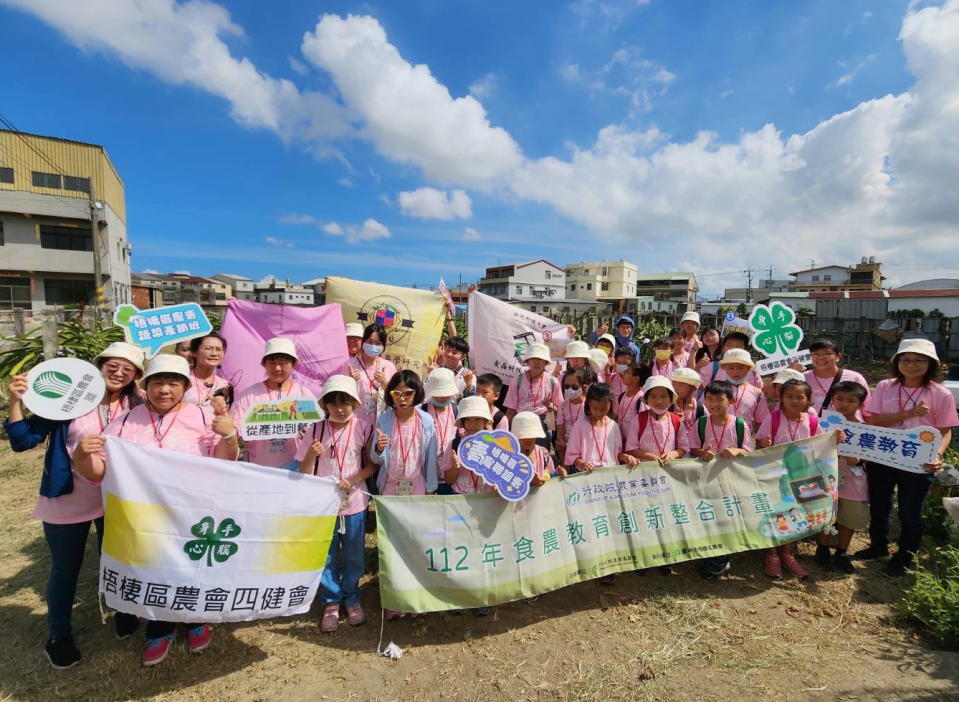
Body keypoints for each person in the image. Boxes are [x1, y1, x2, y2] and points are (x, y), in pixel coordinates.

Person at [73, 354, 240, 667]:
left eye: (173, 382)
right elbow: (99, 473)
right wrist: (82, 456)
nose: (165, 389)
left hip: (192, 512)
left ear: (184, 386)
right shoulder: (123, 422)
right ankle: (158, 628)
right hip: (144, 518)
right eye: (158, 382)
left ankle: (195, 621)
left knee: (192, 566)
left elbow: (223, 461)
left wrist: (229, 434)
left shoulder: (202, 417)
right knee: (154, 570)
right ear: (144, 385)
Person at [5, 341, 144, 669]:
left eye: (128, 368)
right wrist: (15, 401)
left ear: (136, 376)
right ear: (99, 365)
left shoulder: (136, 405)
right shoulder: (72, 399)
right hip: (68, 500)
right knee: (65, 569)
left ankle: (123, 612)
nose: (119, 372)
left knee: (117, 561)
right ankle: (58, 635)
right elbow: (23, 440)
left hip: (115, 501)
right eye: (113, 364)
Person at [856, 339, 958, 577]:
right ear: (897, 362)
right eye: (906, 359)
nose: (912, 365)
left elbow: (945, 430)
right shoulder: (885, 386)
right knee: (879, 505)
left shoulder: (940, 394)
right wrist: (909, 413)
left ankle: (905, 555)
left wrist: (938, 454)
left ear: (931, 363)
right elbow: (874, 420)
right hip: (884, 455)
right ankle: (878, 546)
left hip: (919, 461)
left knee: (910, 512)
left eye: (919, 360)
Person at [296, 375, 374, 632]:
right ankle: (330, 602)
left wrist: (354, 479)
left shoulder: (363, 427)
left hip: (355, 502)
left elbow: (372, 465)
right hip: (323, 506)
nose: (340, 409)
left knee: (354, 553)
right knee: (326, 554)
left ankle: (351, 597)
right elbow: (304, 471)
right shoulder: (315, 429)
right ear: (325, 405)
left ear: (355, 403)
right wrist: (311, 454)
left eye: (346, 403)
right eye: (334, 403)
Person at [755, 379, 823, 580]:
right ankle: (772, 553)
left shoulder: (811, 421)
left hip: (800, 477)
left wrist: (835, 439)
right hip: (775, 477)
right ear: (780, 398)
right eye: (789, 396)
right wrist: (763, 443)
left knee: (795, 513)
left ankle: (788, 553)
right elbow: (760, 448)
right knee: (775, 512)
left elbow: (819, 446)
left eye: (800, 397)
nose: (794, 401)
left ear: (808, 399)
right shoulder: (773, 418)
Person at [687, 380, 754, 580]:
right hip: (707, 480)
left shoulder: (740, 425)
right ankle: (712, 555)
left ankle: (720, 560)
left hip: (731, 481)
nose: (714, 404)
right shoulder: (701, 423)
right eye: (710, 399)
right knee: (711, 517)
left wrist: (737, 450)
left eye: (719, 399)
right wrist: (702, 452)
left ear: (731, 401)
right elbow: (692, 447)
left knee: (727, 517)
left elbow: (749, 450)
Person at [439, 395, 496, 617]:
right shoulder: (454, 445)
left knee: (484, 550)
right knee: (460, 549)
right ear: (462, 423)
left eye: (477, 420)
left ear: (485, 422)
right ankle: (460, 596)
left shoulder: (495, 444)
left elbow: (500, 478)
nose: (473, 425)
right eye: (468, 420)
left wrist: (495, 488)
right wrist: (454, 466)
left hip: (485, 502)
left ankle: (482, 596)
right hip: (460, 502)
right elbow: (450, 479)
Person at [231, 337, 316, 470]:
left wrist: (308, 433)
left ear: (293, 364)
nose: (277, 368)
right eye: (271, 363)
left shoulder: (304, 395)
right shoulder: (250, 395)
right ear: (264, 364)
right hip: (257, 470)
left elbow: (316, 432)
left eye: (283, 363)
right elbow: (234, 431)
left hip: (295, 471)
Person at [814, 381, 869, 574]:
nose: (844, 404)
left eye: (851, 400)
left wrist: (859, 461)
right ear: (832, 400)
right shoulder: (823, 425)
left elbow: (872, 458)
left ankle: (842, 552)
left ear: (860, 404)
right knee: (825, 513)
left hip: (854, 481)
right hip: (826, 477)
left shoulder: (866, 430)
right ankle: (822, 548)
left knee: (848, 517)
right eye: (839, 399)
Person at [372, 369, 438, 499]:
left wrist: (430, 489)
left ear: (417, 393)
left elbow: (431, 459)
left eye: (408, 393)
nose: (402, 398)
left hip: (417, 489)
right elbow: (375, 459)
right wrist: (379, 449)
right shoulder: (384, 420)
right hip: (389, 488)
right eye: (396, 393)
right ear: (390, 395)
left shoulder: (426, 421)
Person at [563, 383, 634, 474]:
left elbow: (617, 453)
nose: (599, 413)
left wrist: (625, 457)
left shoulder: (613, 426)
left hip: (610, 473)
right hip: (587, 474)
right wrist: (582, 464)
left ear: (610, 404)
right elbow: (573, 455)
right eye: (595, 408)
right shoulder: (580, 425)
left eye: (604, 409)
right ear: (588, 404)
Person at [503, 345, 562, 448]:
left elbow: (561, 410)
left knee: (541, 455)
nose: (537, 362)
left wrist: (550, 406)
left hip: (542, 422)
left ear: (546, 362)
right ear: (528, 361)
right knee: (519, 453)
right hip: (520, 421)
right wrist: (504, 431)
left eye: (540, 359)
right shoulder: (517, 380)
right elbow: (511, 410)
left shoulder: (553, 382)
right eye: (533, 358)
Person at [339, 323, 397, 426]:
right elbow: (340, 395)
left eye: (378, 343)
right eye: (370, 342)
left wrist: (385, 382)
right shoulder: (350, 364)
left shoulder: (389, 366)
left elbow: (396, 396)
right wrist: (351, 381)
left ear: (383, 346)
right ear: (363, 342)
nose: (373, 346)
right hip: (355, 420)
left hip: (380, 421)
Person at [625, 376, 689, 467]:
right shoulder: (637, 420)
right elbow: (631, 448)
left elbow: (683, 448)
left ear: (671, 399)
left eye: (664, 396)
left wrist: (674, 454)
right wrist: (649, 456)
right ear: (646, 399)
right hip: (645, 471)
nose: (659, 401)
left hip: (670, 470)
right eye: (653, 396)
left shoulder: (676, 421)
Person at [804, 338, 868, 416]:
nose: (821, 357)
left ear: (838, 356)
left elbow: (868, 410)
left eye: (827, 353)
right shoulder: (803, 378)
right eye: (815, 354)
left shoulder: (855, 378)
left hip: (849, 426)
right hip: (814, 427)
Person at [423, 367, 459, 495]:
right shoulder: (423, 410)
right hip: (427, 470)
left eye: (445, 393)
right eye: (438, 394)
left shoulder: (457, 410)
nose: (442, 398)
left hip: (451, 471)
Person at [718, 349, 769, 433]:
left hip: (746, 440)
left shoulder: (757, 393)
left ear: (748, 368)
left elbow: (762, 421)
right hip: (718, 438)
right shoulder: (715, 390)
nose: (736, 371)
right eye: (731, 367)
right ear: (725, 368)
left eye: (741, 367)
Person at [184, 333, 230, 408]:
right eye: (208, 348)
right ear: (194, 352)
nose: (214, 353)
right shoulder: (182, 380)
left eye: (219, 349)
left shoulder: (224, 385)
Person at [555, 368, 589, 463]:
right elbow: (560, 436)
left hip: (585, 452)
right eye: (566, 386)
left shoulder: (589, 406)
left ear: (584, 387)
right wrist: (563, 461)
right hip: (568, 454)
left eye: (574, 387)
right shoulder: (562, 406)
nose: (570, 390)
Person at [513, 411, 556, 483]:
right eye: (523, 436)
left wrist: (559, 474)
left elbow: (552, 476)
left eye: (531, 435)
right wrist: (531, 482)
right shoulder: (510, 456)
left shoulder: (543, 453)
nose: (527, 439)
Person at [614, 363, 649, 441]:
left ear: (636, 379)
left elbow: (644, 422)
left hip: (634, 441)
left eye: (627, 372)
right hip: (621, 439)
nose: (623, 374)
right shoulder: (622, 396)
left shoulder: (641, 399)